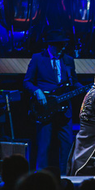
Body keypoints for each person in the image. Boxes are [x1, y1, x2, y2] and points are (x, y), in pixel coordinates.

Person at [23, 30, 83, 176]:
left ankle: (66, 178)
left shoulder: (68, 60)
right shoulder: (38, 58)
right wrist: (37, 92)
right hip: (45, 109)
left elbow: (73, 82)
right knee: (44, 146)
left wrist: (89, 90)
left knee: (67, 146)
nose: (62, 48)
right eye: (59, 45)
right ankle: (41, 179)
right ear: (50, 45)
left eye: (63, 45)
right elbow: (27, 82)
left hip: (64, 109)